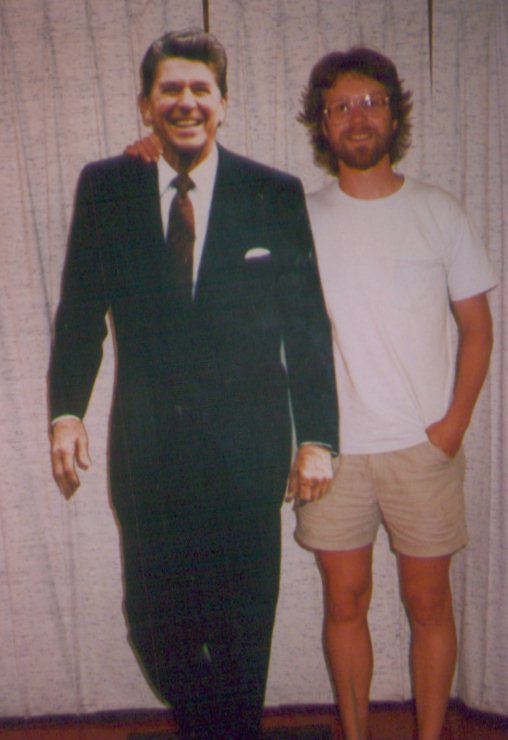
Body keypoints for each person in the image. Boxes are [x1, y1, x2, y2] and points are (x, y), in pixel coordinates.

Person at [48, 29, 338, 740]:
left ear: (224, 103)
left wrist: (318, 438)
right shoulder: (107, 188)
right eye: (170, 89)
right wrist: (66, 413)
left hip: (247, 452)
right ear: (146, 104)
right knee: (153, 621)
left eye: (200, 89)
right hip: (148, 453)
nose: (186, 102)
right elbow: (81, 312)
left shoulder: (273, 193)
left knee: (243, 628)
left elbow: (306, 325)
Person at [295, 47, 496, 740]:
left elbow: (478, 328)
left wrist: (453, 426)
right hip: (334, 455)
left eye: (371, 102)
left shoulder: (439, 211)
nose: (358, 117)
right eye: (341, 106)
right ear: (323, 124)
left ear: (394, 114)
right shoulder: (298, 218)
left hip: (422, 449)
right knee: (344, 602)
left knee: (428, 604)